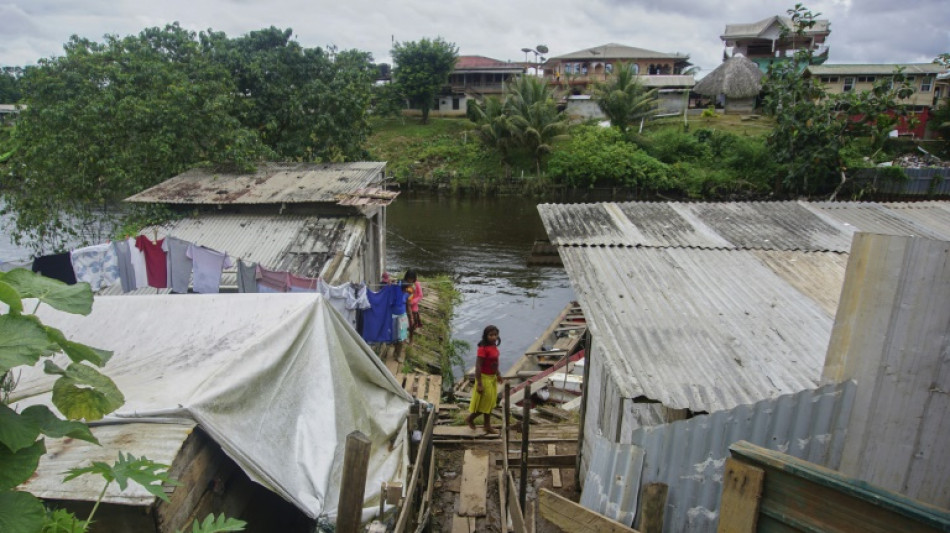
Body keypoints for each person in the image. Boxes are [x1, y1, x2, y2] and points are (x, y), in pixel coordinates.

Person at [466, 325, 504, 434]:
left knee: (491, 403)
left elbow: (494, 363)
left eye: (495, 335)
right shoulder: (482, 349)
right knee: (486, 403)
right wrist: (479, 384)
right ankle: (470, 419)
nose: (493, 337)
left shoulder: (493, 347)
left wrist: (498, 374)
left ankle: (487, 425)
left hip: (492, 378)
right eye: (491, 335)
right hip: (484, 378)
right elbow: (478, 366)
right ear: (486, 336)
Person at [392, 279, 411, 362]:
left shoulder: (406, 294)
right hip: (394, 316)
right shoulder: (395, 293)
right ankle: (395, 352)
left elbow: (408, 305)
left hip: (402, 317)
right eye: (405, 288)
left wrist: (410, 317)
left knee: (401, 338)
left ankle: (398, 355)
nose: (406, 289)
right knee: (395, 337)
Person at [404, 270, 423, 344]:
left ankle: (411, 339)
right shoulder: (404, 283)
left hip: (413, 307)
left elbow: (420, 295)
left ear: (414, 278)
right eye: (409, 278)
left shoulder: (416, 284)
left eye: (411, 279)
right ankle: (404, 337)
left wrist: (412, 302)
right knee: (404, 323)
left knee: (412, 324)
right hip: (405, 306)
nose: (410, 280)